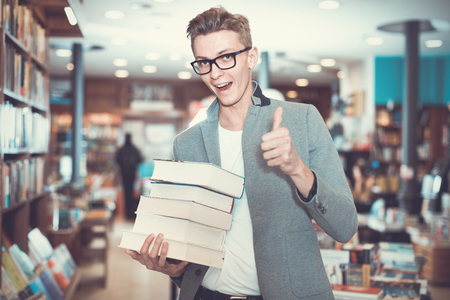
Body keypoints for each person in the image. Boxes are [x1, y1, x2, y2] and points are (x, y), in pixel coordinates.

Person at [126, 6, 358, 300]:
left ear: (251, 56)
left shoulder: (302, 120)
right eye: (204, 63)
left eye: (226, 57)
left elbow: (345, 226)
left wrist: (297, 169)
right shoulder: (187, 144)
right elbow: (185, 248)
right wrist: (171, 267)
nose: (216, 73)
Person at [115, 133, 143, 220]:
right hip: (132, 173)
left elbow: (117, 160)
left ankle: (127, 213)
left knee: (126, 192)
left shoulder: (121, 149)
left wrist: (123, 166)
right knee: (131, 192)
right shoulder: (135, 149)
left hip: (124, 173)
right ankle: (131, 213)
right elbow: (140, 159)